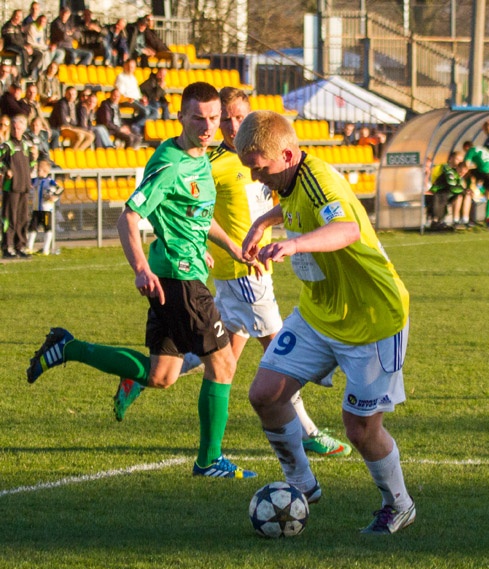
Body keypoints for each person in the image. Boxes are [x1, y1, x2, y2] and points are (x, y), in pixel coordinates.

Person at [27, 82, 257, 480]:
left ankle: (69, 347)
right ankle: (209, 460)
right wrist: (139, 268)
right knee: (222, 365)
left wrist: (233, 247)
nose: (207, 126)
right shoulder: (169, 163)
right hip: (180, 279)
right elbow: (128, 218)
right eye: (198, 118)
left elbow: (200, 215)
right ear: (180, 117)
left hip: (176, 277)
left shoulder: (201, 156)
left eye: (214, 118)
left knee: (161, 376)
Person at [115, 87, 351, 457]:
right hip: (242, 274)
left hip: (251, 264)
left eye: (239, 117)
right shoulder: (214, 162)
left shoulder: (255, 157)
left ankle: (144, 376)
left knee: (220, 358)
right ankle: (305, 431)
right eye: (225, 118)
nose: (230, 125)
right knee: (279, 353)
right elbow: (180, 207)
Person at [234, 109, 415, 534]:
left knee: (360, 430)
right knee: (265, 394)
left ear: (288, 155)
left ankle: (399, 504)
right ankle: (301, 484)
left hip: (372, 321)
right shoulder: (292, 180)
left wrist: (293, 245)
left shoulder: (319, 179)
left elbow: (347, 229)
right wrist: (265, 220)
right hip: (319, 315)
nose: (258, 179)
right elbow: (295, 206)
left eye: (261, 169)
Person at [1, 114, 38, 259]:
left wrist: (34, 160)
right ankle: (7, 247)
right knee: (10, 218)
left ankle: (20, 246)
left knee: (23, 218)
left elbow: (31, 165)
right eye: (14, 128)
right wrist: (5, 171)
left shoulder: (25, 145)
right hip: (11, 187)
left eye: (19, 128)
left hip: (24, 186)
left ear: (23, 129)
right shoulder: (7, 145)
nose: (16, 131)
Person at [462, 139, 489, 230]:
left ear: (466, 147)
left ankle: (471, 190)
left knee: (469, 174)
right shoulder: (482, 149)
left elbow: (466, 165)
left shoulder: (471, 151)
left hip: (486, 170)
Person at [427, 149, 470, 230]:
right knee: (459, 195)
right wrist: (463, 190)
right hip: (437, 192)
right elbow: (451, 186)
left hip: (445, 192)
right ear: (451, 158)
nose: (459, 162)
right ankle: (455, 221)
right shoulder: (446, 169)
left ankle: (465, 220)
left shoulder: (456, 173)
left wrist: (465, 190)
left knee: (463, 195)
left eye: (461, 160)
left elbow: (457, 186)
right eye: (457, 159)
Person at [26, 157, 61, 255]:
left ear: (45, 170)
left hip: (46, 210)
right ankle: (29, 247)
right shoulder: (35, 180)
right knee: (32, 227)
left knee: (47, 228)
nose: (37, 171)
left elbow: (60, 189)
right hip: (36, 209)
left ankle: (46, 249)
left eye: (39, 169)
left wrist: (53, 196)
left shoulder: (49, 181)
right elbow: (27, 181)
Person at [2, 9, 43, 80]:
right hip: (10, 46)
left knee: (39, 54)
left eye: (20, 17)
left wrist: (28, 46)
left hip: (20, 46)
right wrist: (24, 47)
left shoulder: (18, 27)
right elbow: (11, 40)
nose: (18, 18)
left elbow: (23, 39)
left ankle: (29, 71)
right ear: (13, 16)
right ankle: (24, 72)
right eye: (17, 16)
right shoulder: (8, 26)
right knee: (23, 51)